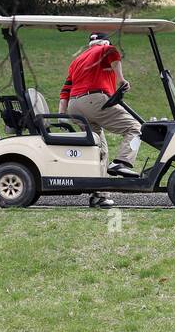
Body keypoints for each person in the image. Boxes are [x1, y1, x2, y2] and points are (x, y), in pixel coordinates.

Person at [58, 32, 142, 208]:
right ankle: (122, 162)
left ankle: (100, 196)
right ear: (104, 42)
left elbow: (65, 91)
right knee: (135, 127)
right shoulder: (104, 48)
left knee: (99, 150)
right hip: (94, 100)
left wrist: (62, 118)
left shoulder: (77, 61)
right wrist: (120, 79)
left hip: (75, 107)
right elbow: (113, 52)